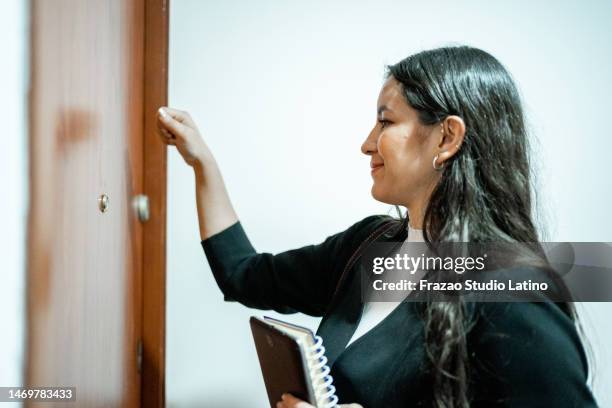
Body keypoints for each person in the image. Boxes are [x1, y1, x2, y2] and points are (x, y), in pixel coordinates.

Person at [156, 45, 598, 407]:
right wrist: (203, 165)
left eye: (386, 121)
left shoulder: (513, 287)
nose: (367, 143)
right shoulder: (368, 247)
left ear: (447, 138)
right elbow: (242, 275)